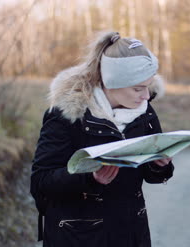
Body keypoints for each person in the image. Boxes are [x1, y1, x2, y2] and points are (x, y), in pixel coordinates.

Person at [30, 31, 174, 247]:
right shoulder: (68, 114)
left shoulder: (144, 110)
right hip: (78, 237)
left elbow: (149, 176)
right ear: (112, 83)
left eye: (148, 85)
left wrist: (159, 165)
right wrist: (90, 179)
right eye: (138, 88)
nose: (146, 96)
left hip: (132, 235)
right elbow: (41, 182)